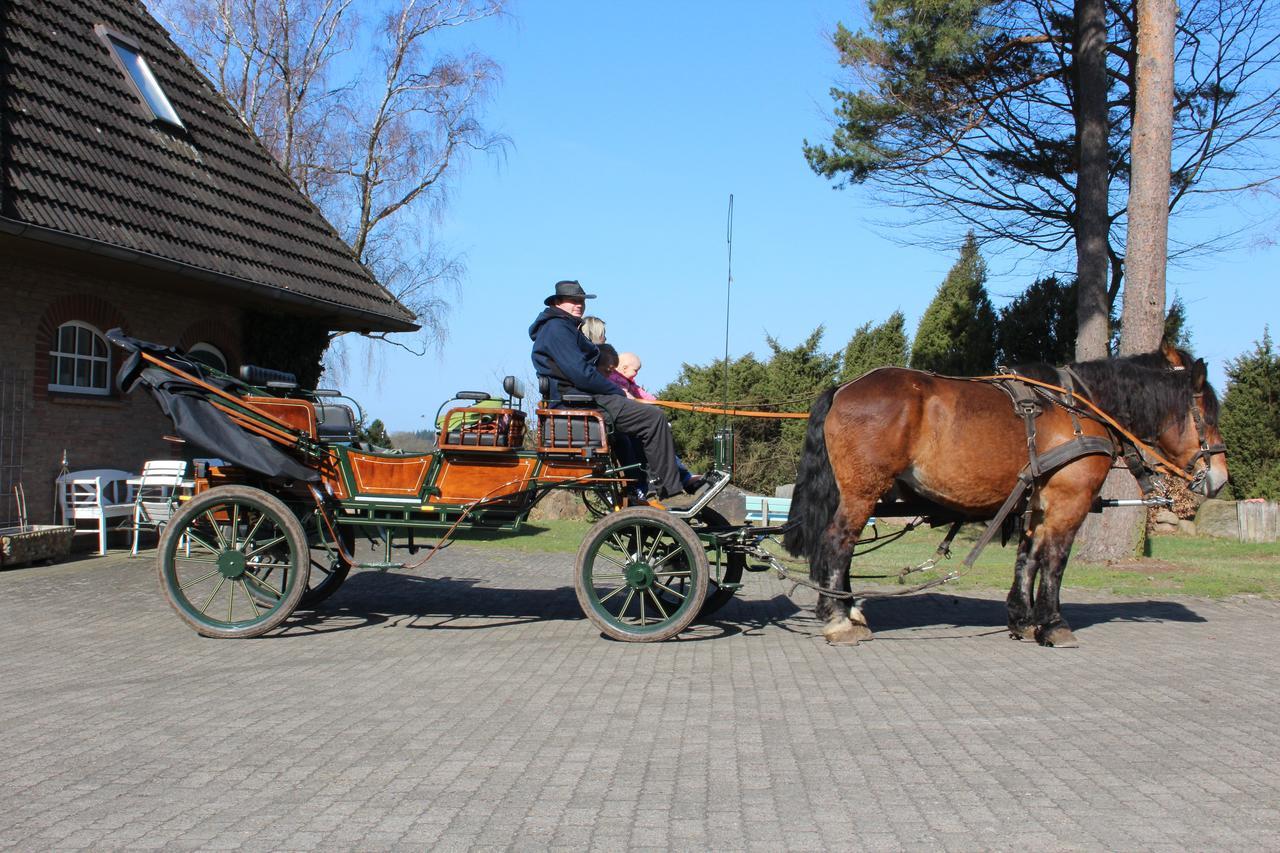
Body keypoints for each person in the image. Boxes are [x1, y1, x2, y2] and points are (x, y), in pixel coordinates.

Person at [529, 280, 692, 500]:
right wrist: (615, 391)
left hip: (582, 399)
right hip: (578, 402)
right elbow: (581, 374)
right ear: (558, 302)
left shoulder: (564, 327)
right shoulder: (557, 329)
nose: (579, 305)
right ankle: (671, 490)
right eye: (573, 301)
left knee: (640, 422)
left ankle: (642, 486)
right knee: (654, 418)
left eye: (581, 301)